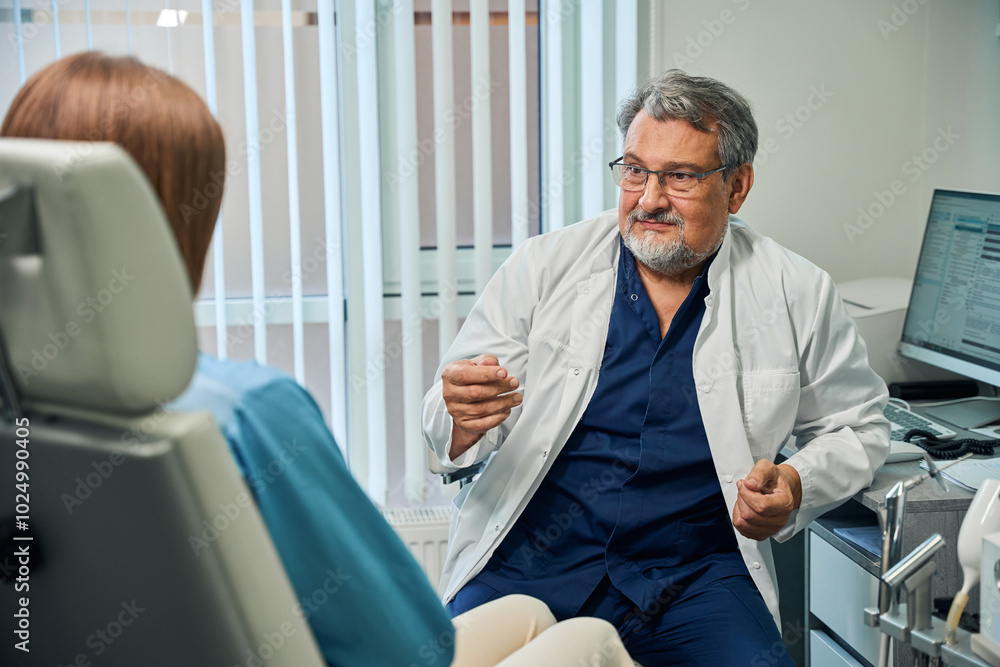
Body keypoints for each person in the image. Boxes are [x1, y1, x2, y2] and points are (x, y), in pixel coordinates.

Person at [2, 52, 636, 667]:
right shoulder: (245, 411)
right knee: (589, 640)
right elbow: (405, 646)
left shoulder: (26, 414)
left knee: (527, 613)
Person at [423, 69, 891, 666]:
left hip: (697, 574)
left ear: (738, 186)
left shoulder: (795, 290)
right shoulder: (544, 268)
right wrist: (462, 417)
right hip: (533, 557)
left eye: (681, 177)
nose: (648, 199)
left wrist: (797, 483)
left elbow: (861, 428)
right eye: (636, 170)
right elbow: (445, 419)